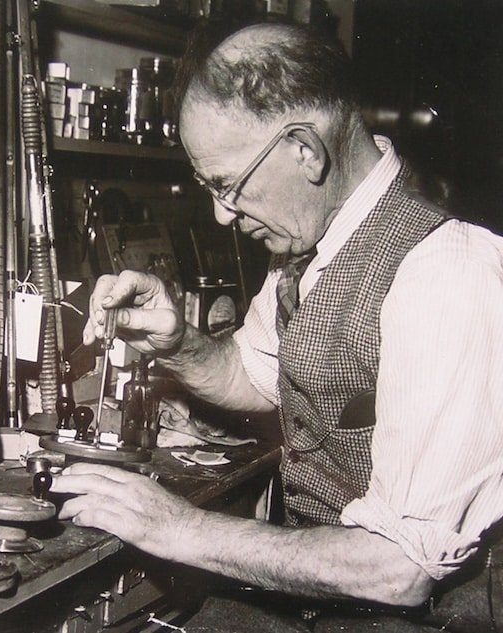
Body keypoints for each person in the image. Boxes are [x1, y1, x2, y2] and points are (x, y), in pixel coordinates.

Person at [51, 21, 503, 630]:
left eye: (227, 185)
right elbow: (258, 376)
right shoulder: (313, 247)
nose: (219, 213)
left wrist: (179, 528)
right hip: (334, 598)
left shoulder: (449, 275)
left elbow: (399, 567)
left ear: (306, 151)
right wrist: (178, 343)